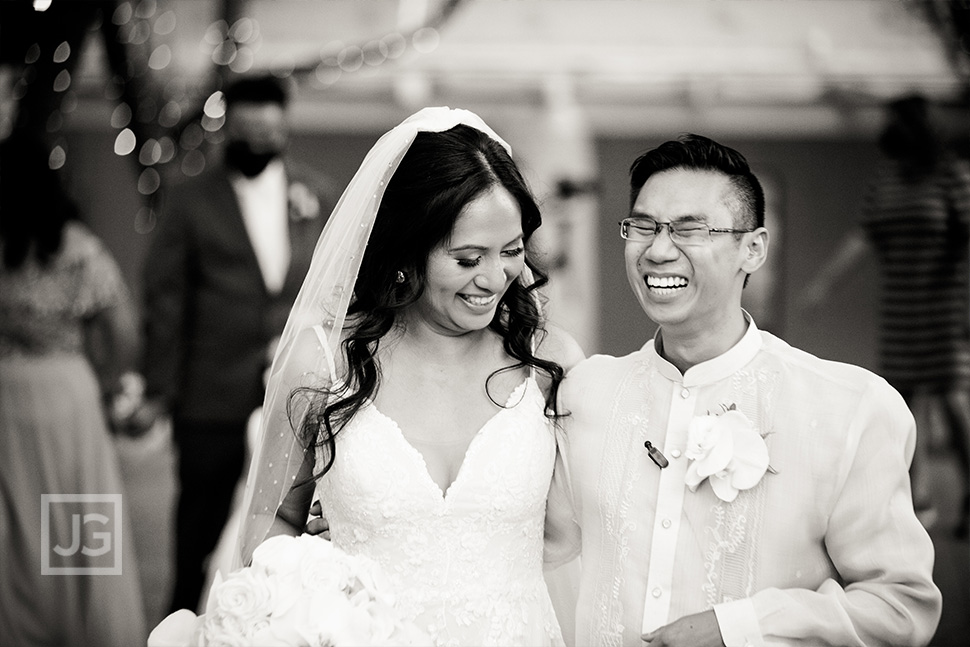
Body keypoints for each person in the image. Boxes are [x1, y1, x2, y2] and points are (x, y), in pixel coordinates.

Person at [553, 134, 942, 646]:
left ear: (753, 248)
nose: (658, 250)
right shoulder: (584, 396)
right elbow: (535, 551)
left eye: (690, 230)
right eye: (643, 226)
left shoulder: (851, 408)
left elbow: (900, 607)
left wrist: (739, 628)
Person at [230, 106, 584, 646]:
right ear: (406, 250)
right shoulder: (324, 362)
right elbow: (273, 519)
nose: (494, 278)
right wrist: (297, 603)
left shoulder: (550, 364)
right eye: (467, 259)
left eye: (510, 251)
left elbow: (593, 527)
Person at [136, 73, 334, 614]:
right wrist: (159, 388)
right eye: (246, 130)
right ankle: (180, 620)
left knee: (290, 519)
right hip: (211, 390)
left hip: (297, 388)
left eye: (269, 131)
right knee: (199, 521)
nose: (258, 142)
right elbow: (164, 296)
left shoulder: (313, 193)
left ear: (285, 129)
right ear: (228, 129)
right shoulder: (188, 196)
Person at [0, 133, 147, 646]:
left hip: (8, 395)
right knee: (82, 509)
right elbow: (124, 333)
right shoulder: (78, 247)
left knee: (16, 522)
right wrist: (104, 386)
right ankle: (89, 623)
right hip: (68, 394)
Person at [800, 94, 970, 537]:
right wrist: (823, 285)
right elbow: (862, 237)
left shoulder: (951, 176)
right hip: (902, 309)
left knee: (955, 404)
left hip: (945, 307)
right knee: (904, 410)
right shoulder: (887, 179)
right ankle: (919, 500)